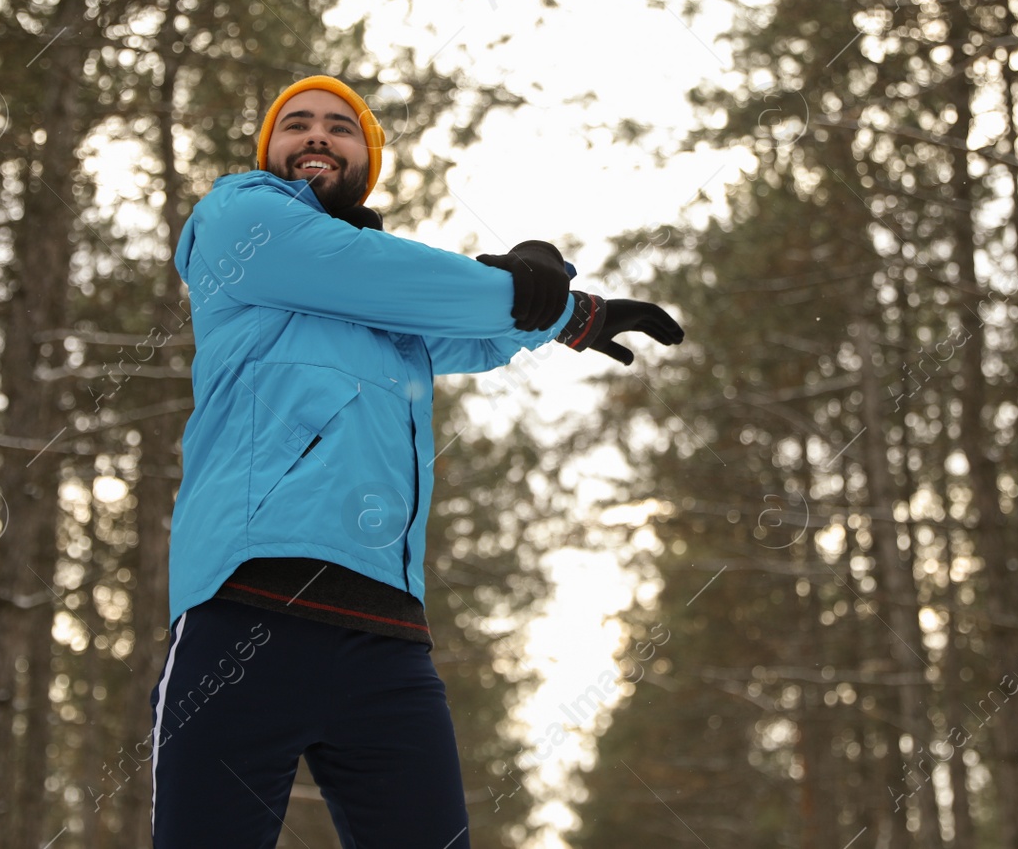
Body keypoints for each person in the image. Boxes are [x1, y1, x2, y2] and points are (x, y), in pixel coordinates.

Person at [147, 74, 685, 848]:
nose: (317, 135)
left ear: (367, 159)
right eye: (295, 124)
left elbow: (472, 330)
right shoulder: (242, 218)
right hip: (246, 612)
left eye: (341, 126)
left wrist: (564, 313)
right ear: (269, 152)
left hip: (386, 638)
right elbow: (389, 275)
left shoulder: (391, 315)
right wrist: (550, 300)